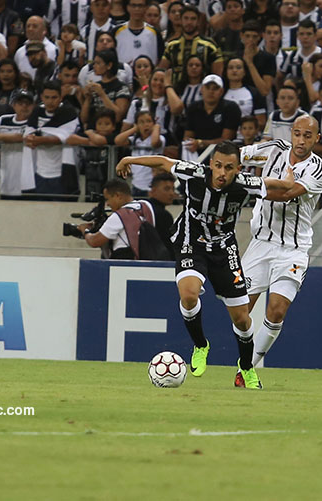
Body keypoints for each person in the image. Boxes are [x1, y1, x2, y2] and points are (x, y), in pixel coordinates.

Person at [115, 142, 297, 389]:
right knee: (189, 295)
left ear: (238, 169)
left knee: (242, 319)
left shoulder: (247, 185)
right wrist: (128, 159)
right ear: (211, 164)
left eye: (229, 168)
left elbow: (281, 188)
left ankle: (246, 368)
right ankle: (201, 344)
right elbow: (162, 162)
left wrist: (291, 178)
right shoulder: (193, 174)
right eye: (218, 166)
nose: (222, 173)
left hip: (224, 249)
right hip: (192, 242)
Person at [235, 114, 322, 381]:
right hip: (260, 244)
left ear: (317, 139)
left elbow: (288, 194)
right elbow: (235, 157)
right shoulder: (273, 150)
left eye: (308, 136)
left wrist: (242, 186)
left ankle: (247, 368)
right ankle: (246, 359)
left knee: (276, 309)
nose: (301, 141)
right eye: (297, 134)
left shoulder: (320, 169)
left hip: (293, 249)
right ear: (291, 133)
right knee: (240, 312)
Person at [78, 178, 160, 259]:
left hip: (124, 263)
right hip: (149, 259)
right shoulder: (146, 205)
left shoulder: (118, 216)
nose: (107, 204)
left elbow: (94, 241)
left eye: (108, 199)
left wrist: (85, 230)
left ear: (118, 195)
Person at [23, 80, 80, 199]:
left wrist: (39, 139)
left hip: (61, 172)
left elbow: (64, 137)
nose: (50, 101)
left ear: (60, 97)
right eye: (47, 97)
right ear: (41, 97)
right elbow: (28, 134)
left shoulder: (68, 113)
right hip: (40, 172)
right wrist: (34, 138)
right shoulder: (37, 111)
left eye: (54, 97)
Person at [0, 89, 36, 198]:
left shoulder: (35, 121)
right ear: (13, 105)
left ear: (33, 106)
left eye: (28, 104)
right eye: (20, 103)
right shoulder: (4, 120)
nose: (24, 107)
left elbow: (22, 138)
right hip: (7, 179)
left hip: (29, 179)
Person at [158, 5, 223, 85]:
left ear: (198, 21)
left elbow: (217, 76)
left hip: (201, 92)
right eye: (186, 18)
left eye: (193, 19)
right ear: (181, 20)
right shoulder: (172, 46)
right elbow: (161, 70)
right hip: (175, 91)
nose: (189, 22)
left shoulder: (210, 45)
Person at [182, 74, 240, 161]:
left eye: (215, 88)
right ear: (201, 89)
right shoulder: (193, 108)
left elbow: (226, 140)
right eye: (207, 87)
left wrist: (201, 143)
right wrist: (193, 143)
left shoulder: (230, 108)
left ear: (221, 91)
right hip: (195, 151)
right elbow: (187, 137)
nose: (211, 91)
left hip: (222, 152)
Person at [114, 109, 166, 195]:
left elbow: (154, 142)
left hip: (152, 186)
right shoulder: (135, 140)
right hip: (136, 185)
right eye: (141, 122)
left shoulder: (160, 138)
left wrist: (157, 127)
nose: (146, 125)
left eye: (149, 121)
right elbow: (118, 141)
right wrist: (134, 129)